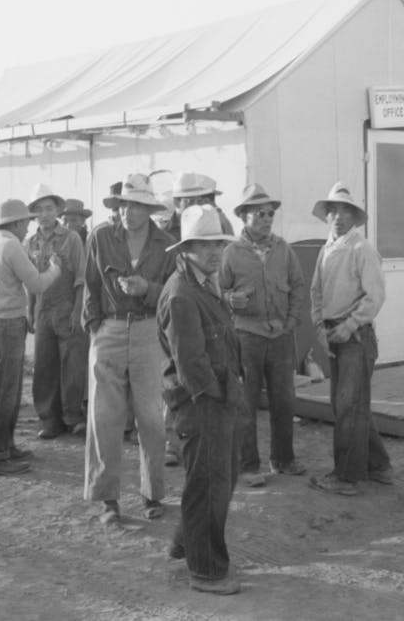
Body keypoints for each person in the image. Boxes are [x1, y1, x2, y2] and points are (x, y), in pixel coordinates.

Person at [158, 205, 242, 595]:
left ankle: (186, 541)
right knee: (208, 482)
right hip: (201, 400)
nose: (214, 251)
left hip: (218, 397)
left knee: (220, 477)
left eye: (218, 244)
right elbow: (191, 363)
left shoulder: (205, 283)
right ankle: (205, 570)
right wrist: (221, 398)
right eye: (204, 244)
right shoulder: (181, 294)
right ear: (186, 247)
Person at [82, 173, 175, 524]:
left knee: (151, 416)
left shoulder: (166, 243)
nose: (127, 212)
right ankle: (108, 499)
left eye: (135, 205)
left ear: (148, 209)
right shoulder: (101, 237)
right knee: (104, 416)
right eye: (124, 205)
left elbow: (171, 292)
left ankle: (152, 494)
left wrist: (146, 289)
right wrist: (95, 327)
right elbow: (90, 285)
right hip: (110, 327)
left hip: (150, 330)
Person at [308, 182, 393, 496]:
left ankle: (347, 477)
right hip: (334, 334)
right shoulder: (326, 249)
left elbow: (375, 296)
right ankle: (379, 465)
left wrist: (350, 325)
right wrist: (320, 326)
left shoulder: (362, 249)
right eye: (333, 211)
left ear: (354, 217)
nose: (338, 217)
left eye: (345, 211)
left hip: (356, 337)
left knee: (348, 406)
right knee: (351, 405)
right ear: (327, 215)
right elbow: (316, 292)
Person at [219, 184, 307, 487]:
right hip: (247, 337)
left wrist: (292, 321)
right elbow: (217, 291)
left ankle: (283, 459)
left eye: (270, 213)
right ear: (243, 216)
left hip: (280, 336)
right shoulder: (231, 253)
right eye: (260, 213)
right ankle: (249, 465)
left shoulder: (283, 249)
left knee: (284, 400)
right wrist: (231, 300)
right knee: (246, 402)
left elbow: (297, 285)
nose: (267, 218)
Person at [0, 198, 62, 476]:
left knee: (4, 390)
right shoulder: (11, 246)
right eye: (26, 221)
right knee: (2, 392)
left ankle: (3, 447)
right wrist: (56, 268)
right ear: (15, 223)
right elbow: (36, 283)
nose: (28, 226)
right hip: (8, 323)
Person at [25, 183, 87, 439]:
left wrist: (77, 311)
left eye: (49, 209)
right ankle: (49, 420)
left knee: (72, 366)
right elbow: (30, 280)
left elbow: (82, 278)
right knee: (44, 366)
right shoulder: (30, 242)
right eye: (39, 210)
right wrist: (30, 311)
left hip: (67, 307)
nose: (44, 214)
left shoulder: (71, 238)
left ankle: (73, 417)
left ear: (57, 211)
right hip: (42, 309)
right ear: (34, 215)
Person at [164, 172, 234, 242]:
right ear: (177, 202)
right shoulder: (165, 233)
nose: (196, 206)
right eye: (190, 201)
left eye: (201, 201)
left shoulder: (217, 220)